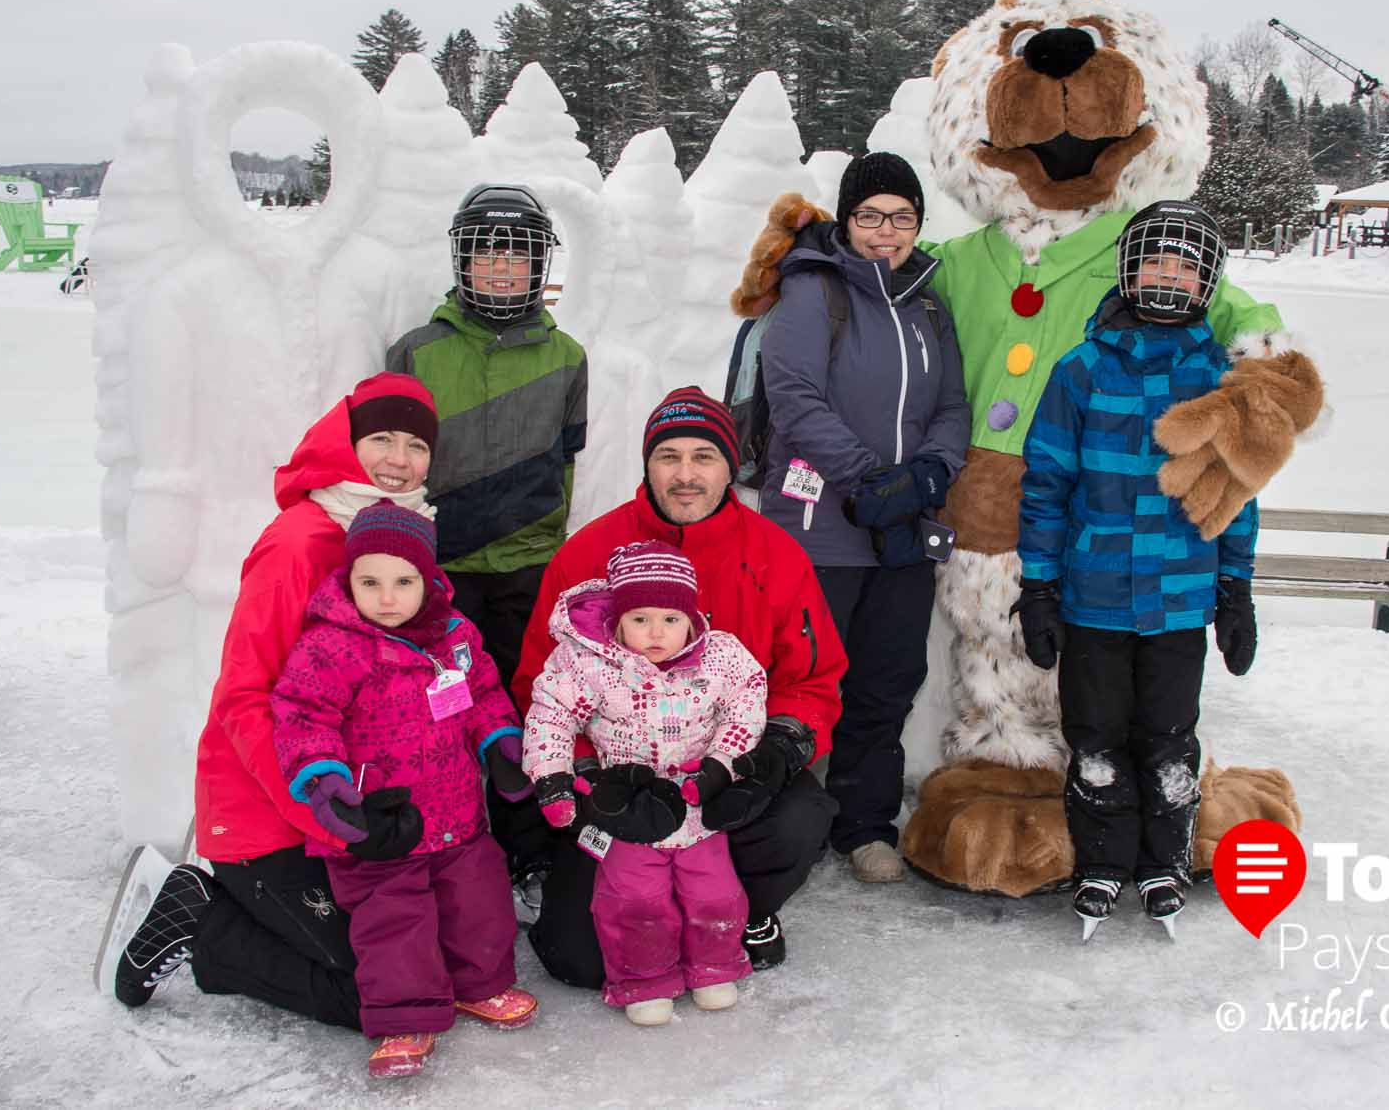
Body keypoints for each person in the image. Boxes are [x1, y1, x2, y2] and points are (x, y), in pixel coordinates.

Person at [112, 373, 441, 1025]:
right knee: (382, 990)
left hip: (347, 809)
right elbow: (245, 697)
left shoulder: (400, 538)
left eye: (417, 445)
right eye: (382, 438)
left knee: (428, 961)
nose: (399, 459)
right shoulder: (299, 544)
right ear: (348, 442)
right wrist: (327, 817)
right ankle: (202, 919)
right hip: (272, 817)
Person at [513, 387, 845, 982]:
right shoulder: (588, 552)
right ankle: (649, 912)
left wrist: (775, 752)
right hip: (621, 782)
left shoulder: (777, 555)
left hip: (723, 773)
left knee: (800, 818)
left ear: (730, 467)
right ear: (648, 465)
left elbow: (812, 679)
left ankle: (741, 912)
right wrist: (588, 775)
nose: (685, 475)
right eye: (668, 456)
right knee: (580, 961)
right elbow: (540, 684)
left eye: (703, 457)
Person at [1012, 201, 1261, 939]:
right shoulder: (1080, 371)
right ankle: (1102, 858)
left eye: (1185, 267)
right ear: (1128, 268)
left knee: (1168, 736)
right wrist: (1040, 584)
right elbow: (1047, 482)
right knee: (1095, 734)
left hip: (1180, 598)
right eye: (1155, 261)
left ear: (1206, 283)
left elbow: (1237, 492)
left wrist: (1235, 586)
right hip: (1095, 595)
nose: (1168, 277)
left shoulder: (1221, 380)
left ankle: (1162, 859)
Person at [758, 152, 970, 884]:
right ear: (847, 221)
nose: (887, 231)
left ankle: (864, 822)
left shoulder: (927, 305)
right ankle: (774, 817)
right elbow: (794, 397)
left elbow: (952, 403)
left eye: (902, 217)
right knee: (800, 675)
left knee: (886, 677)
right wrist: (867, 477)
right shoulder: (813, 291)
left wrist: (931, 470)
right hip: (820, 527)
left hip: (902, 529)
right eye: (871, 215)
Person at [271, 501, 537, 1078]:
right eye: (371, 582)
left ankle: (481, 984)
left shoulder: (456, 636)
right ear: (349, 579)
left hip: (457, 813)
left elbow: (483, 694)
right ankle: (405, 1017)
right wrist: (326, 783)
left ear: (429, 581)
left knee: (478, 903)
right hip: (381, 823)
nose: (387, 597)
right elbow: (303, 715)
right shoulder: (331, 646)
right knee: (393, 921)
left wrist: (501, 743)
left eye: (403, 582)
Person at [386, 182, 588, 888]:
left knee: (527, 706)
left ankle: (526, 845)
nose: (502, 269)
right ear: (461, 261)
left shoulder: (567, 357)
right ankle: (443, 839)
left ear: (540, 266)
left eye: (518, 256)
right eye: (487, 254)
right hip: (442, 569)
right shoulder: (417, 353)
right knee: (438, 708)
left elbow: (568, 459)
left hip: (528, 568)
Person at [524, 540, 768, 1026]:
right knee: (636, 901)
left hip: (698, 806)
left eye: (671, 619)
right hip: (628, 810)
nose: (656, 633)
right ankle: (645, 980)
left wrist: (722, 764)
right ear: (618, 620)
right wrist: (553, 777)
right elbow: (550, 715)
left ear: (691, 619)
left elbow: (746, 704)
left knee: (714, 893)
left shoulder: (720, 658)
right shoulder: (589, 663)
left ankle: (714, 966)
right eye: (640, 619)